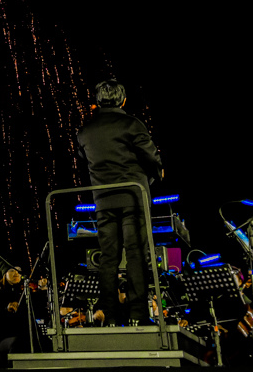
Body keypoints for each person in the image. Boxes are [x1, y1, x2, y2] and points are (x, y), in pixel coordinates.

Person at [76, 79, 163, 326]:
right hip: (133, 197)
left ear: (97, 101)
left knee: (108, 257)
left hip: (103, 200)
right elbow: (151, 156)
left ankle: (110, 315)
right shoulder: (131, 124)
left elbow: (84, 157)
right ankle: (137, 314)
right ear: (123, 100)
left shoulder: (85, 131)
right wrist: (157, 173)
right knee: (136, 254)